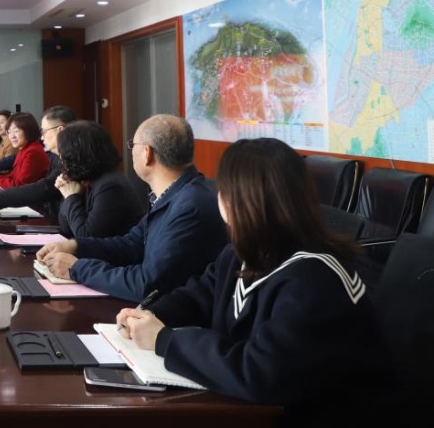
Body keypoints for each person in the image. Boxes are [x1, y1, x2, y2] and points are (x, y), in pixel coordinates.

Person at [117, 138, 398, 426]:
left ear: (235, 202)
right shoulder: (242, 253)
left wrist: (165, 340)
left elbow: (262, 373)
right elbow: (200, 295)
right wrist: (152, 314)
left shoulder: (315, 278)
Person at [37, 114, 227, 302]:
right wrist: (76, 246)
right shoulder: (176, 193)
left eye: (132, 145)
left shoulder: (190, 206)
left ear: (147, 153)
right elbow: (132, 244)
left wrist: (77, 268)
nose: (131, 151)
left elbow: (147, 284)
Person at [0, 105, 77, 220]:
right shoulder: (37, 151)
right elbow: (11, 167)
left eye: (44, 131)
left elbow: (43, 187)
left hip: (47, 217)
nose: (42, 137)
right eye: (9, 131)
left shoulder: (66, 160)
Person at [54, 120, 147, 238]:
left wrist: (71, 197)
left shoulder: (110, 186)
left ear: (77, 155)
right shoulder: (87, 180)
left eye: (63, 154)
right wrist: (67, 192)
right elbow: (65, 228)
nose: (61, 159)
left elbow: (86, 236)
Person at [0, 112, 50, 188]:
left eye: (16, 131)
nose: (12, 136)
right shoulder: (25, 148)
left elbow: (20, 185)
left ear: (28, 130)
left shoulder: (33, 152)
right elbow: (13, 176)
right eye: (9, 132)